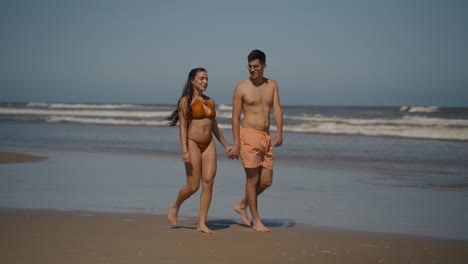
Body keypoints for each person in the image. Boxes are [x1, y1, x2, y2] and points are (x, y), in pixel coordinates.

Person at [167, 67, 232, 234]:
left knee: (209, 182)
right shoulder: (185, 101)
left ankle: (202, 223)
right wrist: (184, 150)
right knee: (193, 186)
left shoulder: (210, 100)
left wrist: (225, 145)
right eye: (202, 78)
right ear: (192, 81)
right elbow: (183, 128)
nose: (205, 82)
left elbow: (215, 127)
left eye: (207, 79)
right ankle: (176, 206)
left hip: (208, 143)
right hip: (192, 143)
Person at [230, 50, 283, 232]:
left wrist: (280, 131)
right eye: (250, 67)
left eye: (256, 66)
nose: (252, 70)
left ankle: (242, 205)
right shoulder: (241, 88)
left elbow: (276, 109)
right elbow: (235, 118)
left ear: (264, 66)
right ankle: (257, 220)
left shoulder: (272, 85)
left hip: (266, 137)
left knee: (266, 181)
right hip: (248, 136)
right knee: (252, 180)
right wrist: (237, 143)